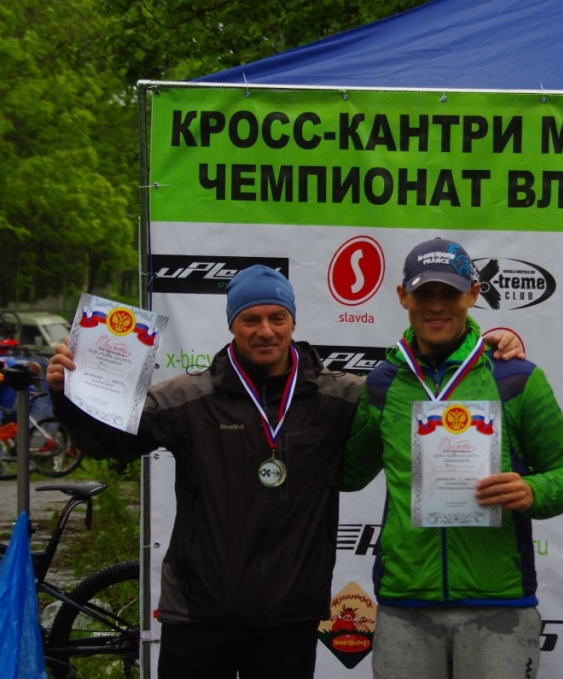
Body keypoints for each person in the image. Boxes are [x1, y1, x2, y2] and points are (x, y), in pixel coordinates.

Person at [44, 264, 522, 679]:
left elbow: (416, 391)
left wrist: (483, 349)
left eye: (277, 318)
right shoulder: (190, 398)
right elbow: (108, 442)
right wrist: (68, 394)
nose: (265, 331)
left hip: (289, 620)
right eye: (250, 319)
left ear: (293, 321)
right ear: (232, 325)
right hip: (198, 616)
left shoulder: (339, 396)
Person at [345, 237, 563, 679]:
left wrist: (532, 490)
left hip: (499, 603)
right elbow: (348, 473)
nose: (437, 306)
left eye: (450, 293)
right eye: (424, 293)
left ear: (473, 295)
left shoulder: (515, 375)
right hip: (406, 601)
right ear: (403, 296)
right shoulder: (383, 383)